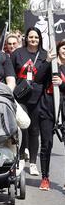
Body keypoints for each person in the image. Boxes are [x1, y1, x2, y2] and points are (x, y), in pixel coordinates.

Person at [11, 26, 47, 176]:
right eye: (31, 37)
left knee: (34, 130)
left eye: (36, 37)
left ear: (40, 39)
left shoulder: (45, 55)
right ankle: (20, 157)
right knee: (23, 127)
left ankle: (32, 163)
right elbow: (11, 74)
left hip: (38, 97)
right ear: (26, 38)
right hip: (21, 97)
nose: (33, 40)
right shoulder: (17, 54)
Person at [35, 40, 65, 190]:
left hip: (64, 110)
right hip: (47, 109)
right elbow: (38, 78)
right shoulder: (51, 64)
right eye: (64, 48)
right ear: (59, 49)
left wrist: (62, 83)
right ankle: (45, 178)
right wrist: (47, 61)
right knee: (46, 144)